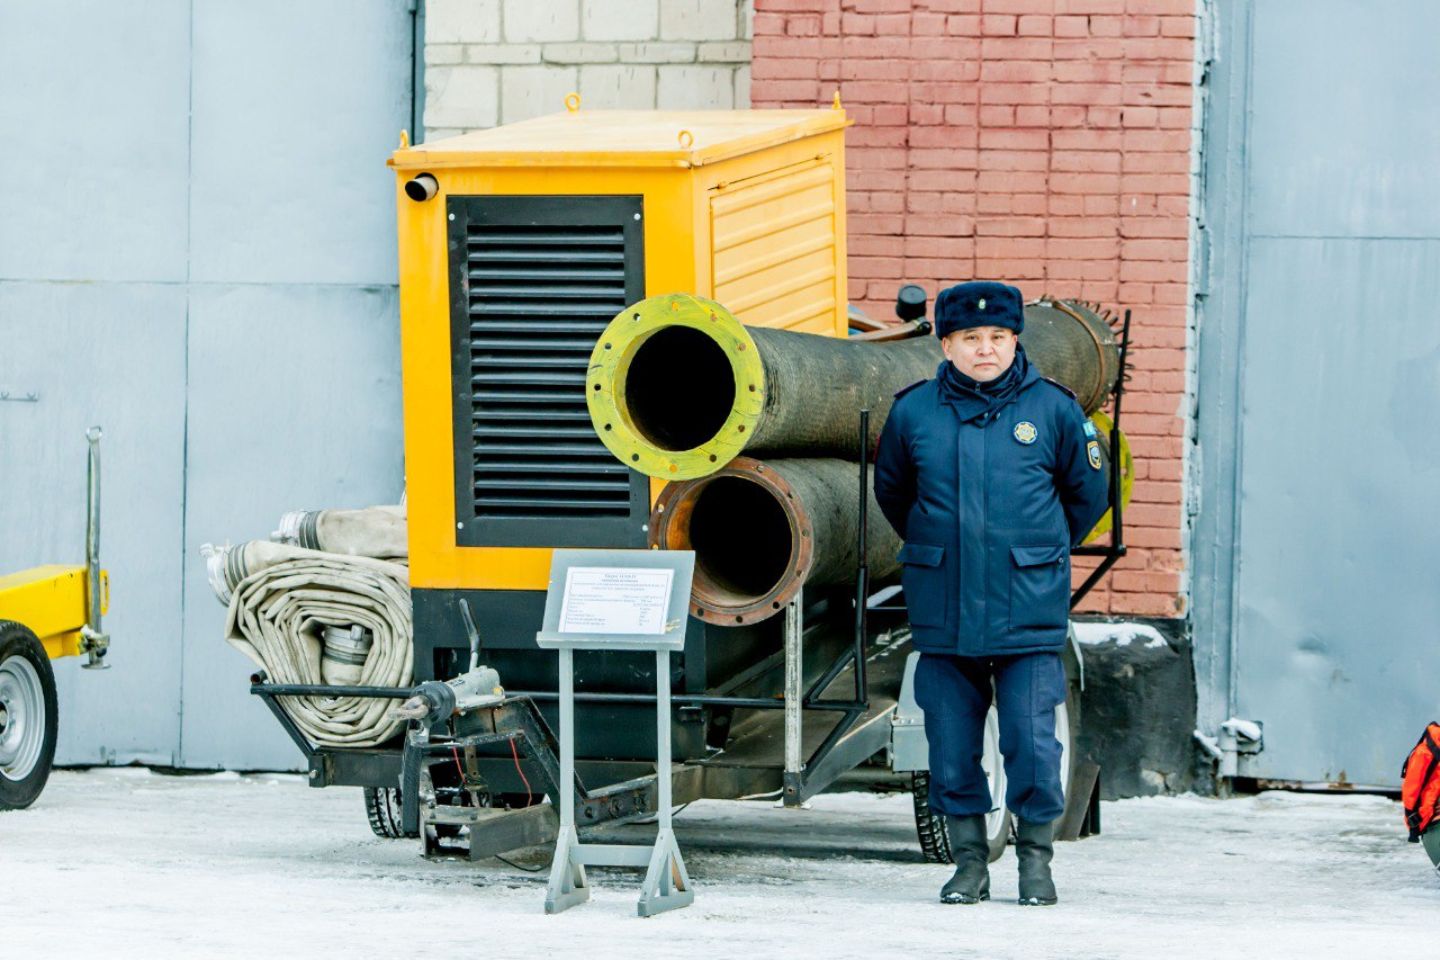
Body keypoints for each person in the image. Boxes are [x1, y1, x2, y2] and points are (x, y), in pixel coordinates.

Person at [873, 280, 1109, 906]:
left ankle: (1035, 861)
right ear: (946, 344)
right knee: (950, 745)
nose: (986, 350)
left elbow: (1085, 498)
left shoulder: (1055, 410)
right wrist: (941, 546)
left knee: (1032, 745)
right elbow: (895, 495)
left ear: (1014, 340)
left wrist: (1036, 550)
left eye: (998, 338)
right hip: (944, 607)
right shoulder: (913, 412)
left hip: (1026, 606)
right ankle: (969, 863)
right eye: (970, 339)